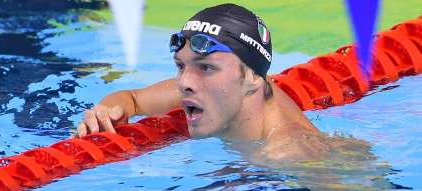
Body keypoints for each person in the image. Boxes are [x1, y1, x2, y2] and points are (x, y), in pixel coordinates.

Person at [76, 3, 359, 162]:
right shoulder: (232, 89)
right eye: (180, 66)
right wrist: (106, 110)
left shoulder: (289, 155)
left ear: (252, 78)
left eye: (206, 67)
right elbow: (132, 99)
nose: (185, 82)